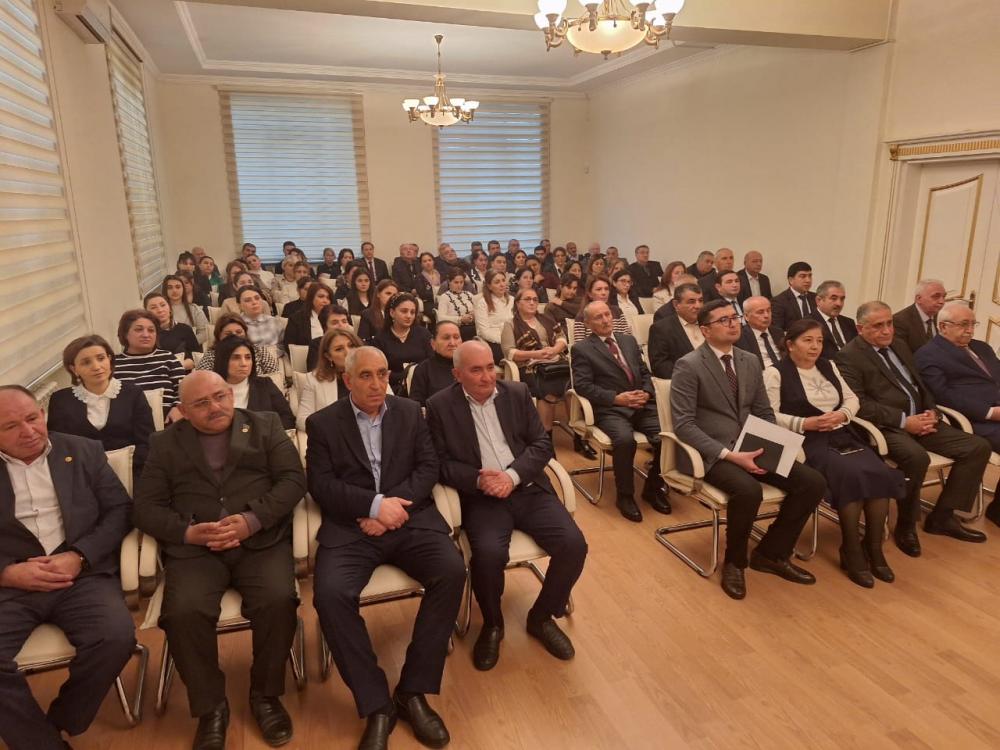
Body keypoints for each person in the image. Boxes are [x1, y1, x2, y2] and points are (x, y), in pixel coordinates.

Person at [134, 371, 305, 750]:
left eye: (220, 396)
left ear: (230, 394)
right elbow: (145, 507)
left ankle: (265, 695)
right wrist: (187, 532)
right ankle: (211, 707)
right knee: (183, 612)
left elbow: (293, 480)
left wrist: (252, 520)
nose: (215, 407)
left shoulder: (265, 425)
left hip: (259, 541)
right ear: (182, 411)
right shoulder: (164, 443)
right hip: (197, 549)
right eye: (201, 403)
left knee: (278, 600)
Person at [306, 347, 464, 750]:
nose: (377, 384)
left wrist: (393, 509)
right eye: (366, 376)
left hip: (410, 519)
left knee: (451, 570)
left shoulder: (410, 412)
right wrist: (374, 507)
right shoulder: (322, 423)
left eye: (383, 374)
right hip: (352, 527)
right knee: (330, 595)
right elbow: (321, 485)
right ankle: (377, 704)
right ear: (347, 380)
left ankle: (412, 691)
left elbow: (428, 468)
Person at [427, 341, 588, 671]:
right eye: (476, 370)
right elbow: (438, 464)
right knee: (488, 556)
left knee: (574, 545)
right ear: (457, 375)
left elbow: (541, 444)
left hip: (526, 487)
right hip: (482, 498)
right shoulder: (439, 406)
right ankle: (493, 624)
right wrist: (477, 479)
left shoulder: (516, 392)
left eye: (490, 367)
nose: (487, 377)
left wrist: (511, 476)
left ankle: (541, 616)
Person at [0, 385, 136, 750]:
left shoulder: (84, 450)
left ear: (43, 414)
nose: (28, 431)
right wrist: (7, 572)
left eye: (32, 418)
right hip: (12, 584)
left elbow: (120, 511)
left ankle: (60, 720)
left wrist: (79, 556)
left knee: (115, 637)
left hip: (81, 575)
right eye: (11, 426)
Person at [670, 299, 826, 600]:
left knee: (812, 482)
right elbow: (684, 425)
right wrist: (731, 455)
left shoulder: (749, 360)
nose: (733, 323)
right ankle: (735, 563)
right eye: (724, 320)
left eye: (735, 317)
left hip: (751, 445)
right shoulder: (689, 365)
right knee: (748, 490)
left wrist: (773, 445)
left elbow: (763, 411)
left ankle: (771, 553)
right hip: (712, 453)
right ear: (705, 330)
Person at [834, 301, 991, 557]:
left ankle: (943, 516)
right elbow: (860, 404)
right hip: (888, 427)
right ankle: (906, 526)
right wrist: (904, 421)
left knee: (977, 447)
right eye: (878, 326)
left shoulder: (899, 344)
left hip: (923, 418)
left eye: (889, 323)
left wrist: (932, 411)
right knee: (916, 458)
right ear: (860, 328)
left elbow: (920, 385)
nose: (887, 330)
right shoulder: (848, 356)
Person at [764, 319, 906, 587]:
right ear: (790, 344)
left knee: (878, 472)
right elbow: (769, 414)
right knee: (850, 476)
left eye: (819, 341)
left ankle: (873, 547)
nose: (815, 346)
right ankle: (850, 550)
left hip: (841, 433)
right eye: (807, 340)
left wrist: (843, 414)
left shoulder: (828, 366)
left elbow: (852, 398)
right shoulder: (775, 373)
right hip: (806, 440)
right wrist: (805, 423)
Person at [570, 302, 670, 521]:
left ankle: (653, 487)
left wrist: (646, 392)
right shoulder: (582, 349)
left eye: (607, 314)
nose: (606, 320)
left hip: (641, 404)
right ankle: (625, 495)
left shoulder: (628, 340)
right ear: (587, 323)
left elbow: (644, 372)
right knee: (625, 440)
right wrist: (616, 398)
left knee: (668, 437)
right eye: (598, 317)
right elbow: (583, 386)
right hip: (611, 409)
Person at [915, 300, 1000, 525]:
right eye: (964, 324)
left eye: (973, 324)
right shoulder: (928, 355)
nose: (970, 330)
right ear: (943, 327)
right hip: (974, 419)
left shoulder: (982, 348)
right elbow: (943, 396)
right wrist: (990, 412)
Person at [47, 335, 154, 481]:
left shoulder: (133, 394)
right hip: (82, 477)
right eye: (86, 362)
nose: (96, 367)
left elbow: (147, 443)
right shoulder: (60, 400)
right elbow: (60, 448)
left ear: (109, 359)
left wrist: (124, 467)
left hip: (132, 472)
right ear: (74, 369)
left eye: (101, 358)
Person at [501, 288, 569, 434]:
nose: (532, 302)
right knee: (547, 385)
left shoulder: (546, 319)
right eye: (527, 299)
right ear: (517, 303)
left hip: (555, 362)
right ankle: (546, 435)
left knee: (574, 382)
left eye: (535, 299)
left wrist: (554, 350)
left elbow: (562, 338)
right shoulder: (510, 324)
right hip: (529, 367)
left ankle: (577, 433)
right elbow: (510, 353)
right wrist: (536, 354)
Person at [113, 309, 185, 424]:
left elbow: (184, 389)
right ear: (125, 334)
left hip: (169, 423)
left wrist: (178, 407)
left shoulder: (168, 358)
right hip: (128, 425)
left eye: (151, 330)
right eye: (139, 330)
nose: (146, 335)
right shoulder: (114, 364)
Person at [212, 336, 294, 429]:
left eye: (248, 357)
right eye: (236, 358)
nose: (244, 363)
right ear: (223, 361)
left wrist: (263, 432)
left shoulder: (265, 385)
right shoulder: (210, 390)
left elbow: (288, 418)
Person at [296, 328, 363, 431]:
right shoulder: (315, 380)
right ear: (328, 356)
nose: (348, 352)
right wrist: (332, 432)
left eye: (351, 346)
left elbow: (387, 410)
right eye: (339, 349)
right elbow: (302, 420)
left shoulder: (374, 372)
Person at [372, 292, 433, 395]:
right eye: (404, 311)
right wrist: (404, 376)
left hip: (423, 386)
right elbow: (380, 371)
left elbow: (431, 362)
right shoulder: (380, 338)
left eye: (412, 312)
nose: (409, 316)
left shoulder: (423, 334)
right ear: (392, 312)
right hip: (393, 388)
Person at [648, 283, 704, 379]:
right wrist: (694, 377)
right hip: (688, 381)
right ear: (676, 304)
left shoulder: (710, 323)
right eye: (691, 302)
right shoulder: (661, 329)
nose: (698, 306)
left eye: (700, 301)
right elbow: (660, 366)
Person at [196, 314, 281, 376]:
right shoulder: (211, 356)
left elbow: (275, 376)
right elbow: (200, 381)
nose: (234, 336)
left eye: (239, 332)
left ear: (245, 333)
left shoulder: (259, 350)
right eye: (228, 334)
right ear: (219, 336)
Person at [408, 321, 460, 407]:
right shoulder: (423, 369)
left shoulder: (470, 365)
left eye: (456, 337)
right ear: (433, 343)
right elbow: (416, 406)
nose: (452, 343)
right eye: (446, 338)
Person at [144, 291, 200, 370]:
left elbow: (196, 357)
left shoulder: (185, 329)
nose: (160, 310)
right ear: (146, 312)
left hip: (183, 372)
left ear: (169, 308)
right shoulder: (145, 334)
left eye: (163, 305)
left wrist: (174, 367)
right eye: (153, 307)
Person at [570, 275, 633, 344]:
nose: (604, 293)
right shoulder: (582, 316)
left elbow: (628, 339)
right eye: (599, 289)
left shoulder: (617, 311)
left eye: (606, 289)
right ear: (590, 294)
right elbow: (580, 346)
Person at [894, 279, 947, 353]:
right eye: (936, 296)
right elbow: (903, 355)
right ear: (918, 299)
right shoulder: (900, 321)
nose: (942, 301)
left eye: (943, 297)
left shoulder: (942, 318)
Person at [810, 280, 857, 359]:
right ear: (818, 300)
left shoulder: (849, 323)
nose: (839, 303)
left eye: (842, 299)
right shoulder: (809, 323)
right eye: (834, 298)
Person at [474, 270, 515, 363]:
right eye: (497, 282)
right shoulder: (483, 303)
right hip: (493, 342)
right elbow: (484, 332)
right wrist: (504, 340)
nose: (502, 284)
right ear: (489, 286)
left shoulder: (512, 300)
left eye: (503, 280)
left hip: (513, 339)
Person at [735, 296, 784, 369]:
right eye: (760, 312)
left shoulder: (778, 332)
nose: (766, 315)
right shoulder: (740, 337)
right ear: (746, 316)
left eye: (768, 311)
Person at [283, 282, 332, 349]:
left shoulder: (335, 317)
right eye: (321, 297)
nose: (325, 301)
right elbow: (289, 346)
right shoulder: (296, 319)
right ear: (311, 298)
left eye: (328, 298)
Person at [163, 274, 210, 343]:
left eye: (178, 287)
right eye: (170, 288)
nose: (174, 290)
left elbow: (204, 333)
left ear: (183, 289)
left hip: (190, 346)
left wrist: (186, 344)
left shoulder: (194, 309)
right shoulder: (160, 311)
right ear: (165, 290)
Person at [770, 261, 817, 330]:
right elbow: (777, 330)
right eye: (803, 276)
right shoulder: (778, 301)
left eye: (810, 276)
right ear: (791, 280)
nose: (808, 280)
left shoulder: (816, 298)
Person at [238, 286, 284, 352]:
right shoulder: (237, 325)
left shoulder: (274, 321)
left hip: (277, 356)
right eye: (248, 300)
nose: (254, 302)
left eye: (257, 298)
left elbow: (283, 346)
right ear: (239, 305)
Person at [436, 268, 477, 341]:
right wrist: (460, 319)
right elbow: (441, 318)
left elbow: (479, 310)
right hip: (456, 329)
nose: (459, 285)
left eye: (461, 282)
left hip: (474, 326)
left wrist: (475, 314)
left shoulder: (469, 294)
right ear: (449, 282)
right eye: (456, 282)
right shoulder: (444, 297)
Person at [391, 243, 434, 311]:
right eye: (405, 249)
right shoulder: (397, 267)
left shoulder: (420, 264)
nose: (408, 251)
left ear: (415, 252)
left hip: (423, 295)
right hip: (405, 295)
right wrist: (410, 291)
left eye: (411, 249)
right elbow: (396, 284)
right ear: (401, 253)